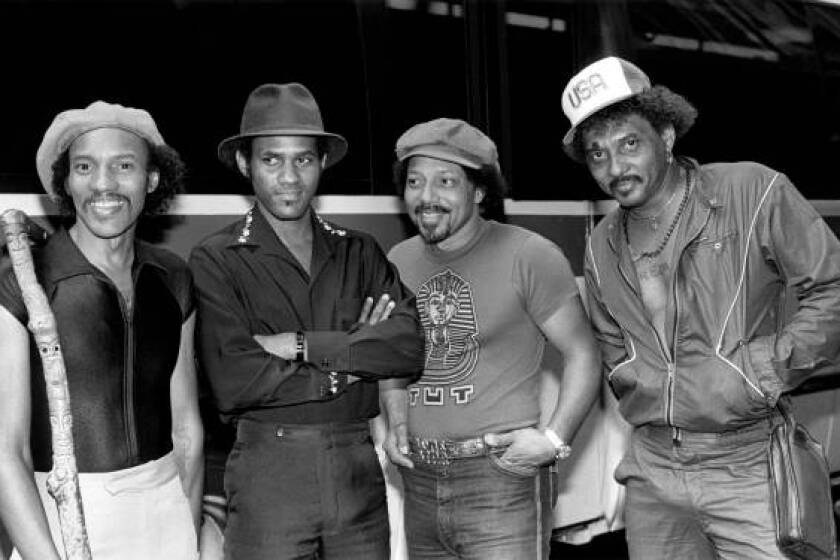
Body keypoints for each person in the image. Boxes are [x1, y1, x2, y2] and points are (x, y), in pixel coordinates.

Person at [564, 56, 840, 559]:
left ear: (666, 136)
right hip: (652, 470)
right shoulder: (603, 240)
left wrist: (760, 369)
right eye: (597, 154)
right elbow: (608, 338)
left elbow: (834, 288)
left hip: (748, 463)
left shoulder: (750, 190)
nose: (615, 167)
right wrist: (636, 381)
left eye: (629, 144)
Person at [189, 82, 424, 560]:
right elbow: (234, 378)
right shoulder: (216, 259)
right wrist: (355, 357)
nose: (289, 177)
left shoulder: (360, 251)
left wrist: (299, 345)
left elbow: (405, 346)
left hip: (358, 471)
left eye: (303, 159)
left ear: (322, 164)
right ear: (244, 165)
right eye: (271, 160)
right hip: (268, 477)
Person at [382, 118, 602, 559]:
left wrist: (554, 442)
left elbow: (584, 353)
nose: (427, 197)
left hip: (500, 479)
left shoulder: (529, 255)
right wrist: (396, 421)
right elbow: (392, 359)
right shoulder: (397, 260)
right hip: (420, 479)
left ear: (479, 191)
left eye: (446, 182)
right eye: (415, 181)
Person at [0, 101, 203, 559]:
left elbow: (187, 430)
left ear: (152, 179)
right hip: (57, 516)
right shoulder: (23, 284)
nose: (103, 184)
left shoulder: (174, 278)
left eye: (124, 165)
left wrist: (185, 531)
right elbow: (6, 451)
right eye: (85, 167)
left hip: (164, 513)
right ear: (65, 181)